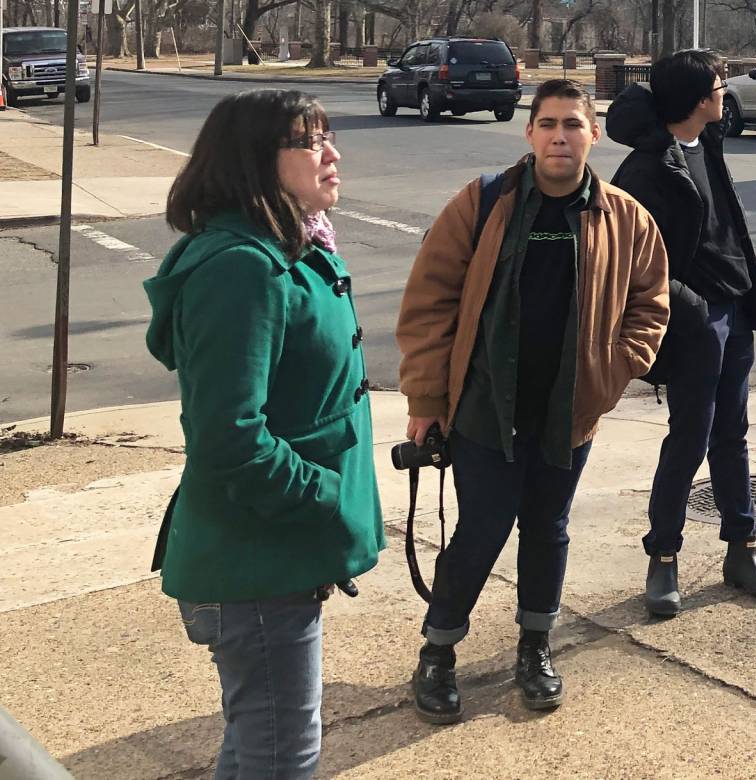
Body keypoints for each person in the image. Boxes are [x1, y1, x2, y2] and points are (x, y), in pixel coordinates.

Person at [396, 78, 669, 724]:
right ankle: (438, 652)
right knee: (482, 529)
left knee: (548, 530)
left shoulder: (625, 218)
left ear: (592, 135)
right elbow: (429, 301)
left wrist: (612, 374)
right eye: (547, 123)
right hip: (485, 407)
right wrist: (428, 397)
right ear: (529, 133)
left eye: (573, 124)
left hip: (568, 412)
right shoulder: (484, 203)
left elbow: (650, 304)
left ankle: (536, 645)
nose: (559, 136)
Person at [146, 90, 384, 779]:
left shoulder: (288, 248)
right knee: (279, 756)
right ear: (256, 161)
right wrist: (326, 499)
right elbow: (229, 437)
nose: (332, 154)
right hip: (257, 562)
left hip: (277, 554)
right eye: (311, 142)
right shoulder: (241, 269)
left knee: (263, 745)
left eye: (328, 136)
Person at [605, 50, 756, 617]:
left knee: (734, 433)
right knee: (690, 438)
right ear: (698, 99)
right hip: (695, 324)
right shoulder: (649, 168)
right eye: (718, 84)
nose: (726, 90)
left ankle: (741, 548)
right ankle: (663, 558)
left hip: (737, 308)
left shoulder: (711, 139)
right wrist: (690, 311)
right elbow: (630, 262)